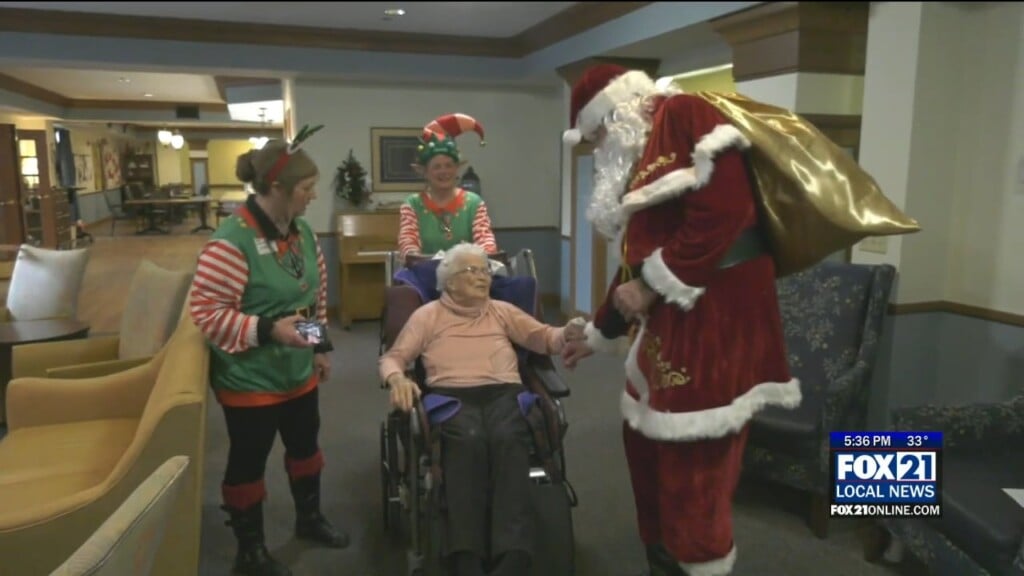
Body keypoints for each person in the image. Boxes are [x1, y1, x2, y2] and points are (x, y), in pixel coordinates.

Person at [559, 64, 802, 576]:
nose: (599, 145)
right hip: (670, 331)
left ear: (618, 111)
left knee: (695, 466)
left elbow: (725, 213)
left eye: (598, 132)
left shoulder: (688, 114)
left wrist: (650, 285)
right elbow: (634, 264)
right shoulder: (639, 156)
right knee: (645, 448)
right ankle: (663, 557)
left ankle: (699, 561)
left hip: (718, 327)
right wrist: (600, 331)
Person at [188, 127, 348, 576]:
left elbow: (313, 297)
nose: (313, 196)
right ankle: (250, 551)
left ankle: (309, 519)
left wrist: (319, 347)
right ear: (275, 188)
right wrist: (268, 330)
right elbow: (206, 313)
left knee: (305, 447)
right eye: (305, 188)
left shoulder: (302, 233)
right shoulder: (229, 244)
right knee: (247, 461)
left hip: (299, 372)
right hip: (250, 380)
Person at [379, 242, 585, 576]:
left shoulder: (502, 310)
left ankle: (513, 554)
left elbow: (544, 338)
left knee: (508, 438)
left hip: (504, 392)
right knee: (468, 440)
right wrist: (397, 380)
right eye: (471, 271)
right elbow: (393, 357)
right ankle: (466, 554)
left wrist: (568, 333)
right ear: (449, 282)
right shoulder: (427, 316)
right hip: (451, 397)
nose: (482, 278)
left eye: (485, 271)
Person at [398, 113, 499, 260]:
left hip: (468, 274)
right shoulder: (412, 204)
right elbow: (408, 246)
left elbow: (486, 243)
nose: (444, 171)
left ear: (457, 168)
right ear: (425, 172)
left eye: (449, 165)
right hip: (426, 276)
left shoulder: (474, 203)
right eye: (437, 167)